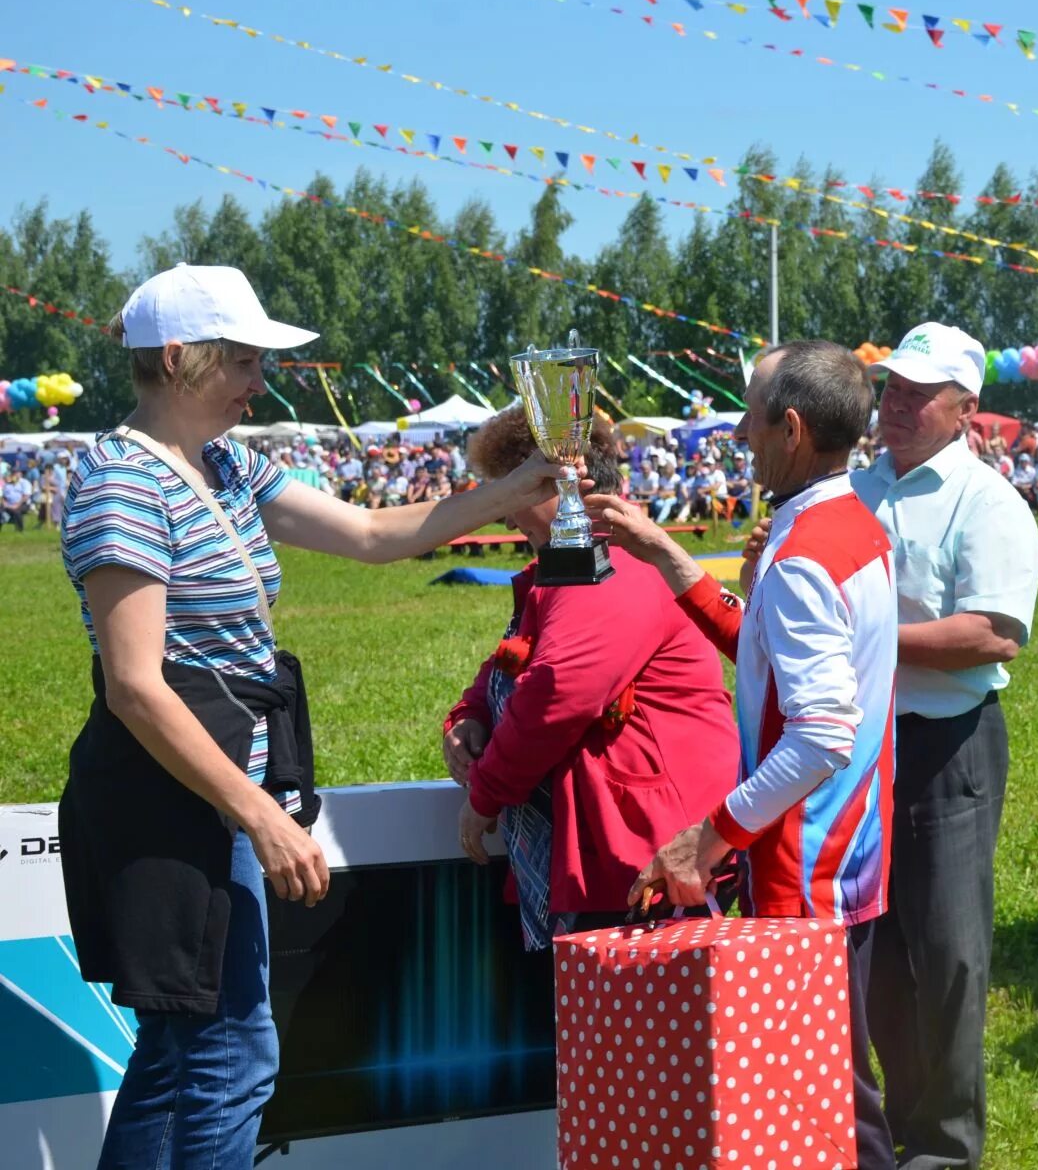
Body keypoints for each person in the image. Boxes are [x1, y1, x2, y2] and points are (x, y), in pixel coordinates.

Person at [59, 264, 569, 1168]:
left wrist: (520, 484)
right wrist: (256, 815)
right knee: (224, 1053)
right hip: (169, 798)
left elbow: (372, 536)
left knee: (188, 1052)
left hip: (205, 794)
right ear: (177, 359)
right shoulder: (120, 481)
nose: (261, 383)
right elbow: (136, 685)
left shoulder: (222, 463)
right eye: (244, 361)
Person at [588, 339, 898, 1168]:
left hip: (803, 871)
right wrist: (671, 557)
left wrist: (713, 834)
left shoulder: (799, 559)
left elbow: (822, 733)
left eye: (750, 416)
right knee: (835, 1089)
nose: (739, 434)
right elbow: (767, 657)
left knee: (823, 1102)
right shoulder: (847, 526)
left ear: (790, 428)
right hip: (848, 853)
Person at [442, 406, 739, 949]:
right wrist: (469, 718)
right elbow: (510, 663)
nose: (505, 518)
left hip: (644, 858)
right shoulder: (558, 572)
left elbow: (557, 693)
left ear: (546, 485)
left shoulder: (610, 564)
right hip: (616, 850)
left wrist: (483, 797)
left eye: (509, 495)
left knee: (639, 1034)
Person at [860, 323, 1038, 1169]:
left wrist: (864, 641)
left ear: (965, 409)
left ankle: (944, 1149)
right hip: (859, 749)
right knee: (877, 953)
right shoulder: (848, 492)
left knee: (949, 955)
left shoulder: (988, 500)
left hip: (946, 747)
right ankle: (895, 1132)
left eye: (917, 392)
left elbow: (994, 634)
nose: (896, 402)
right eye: (891, 386)